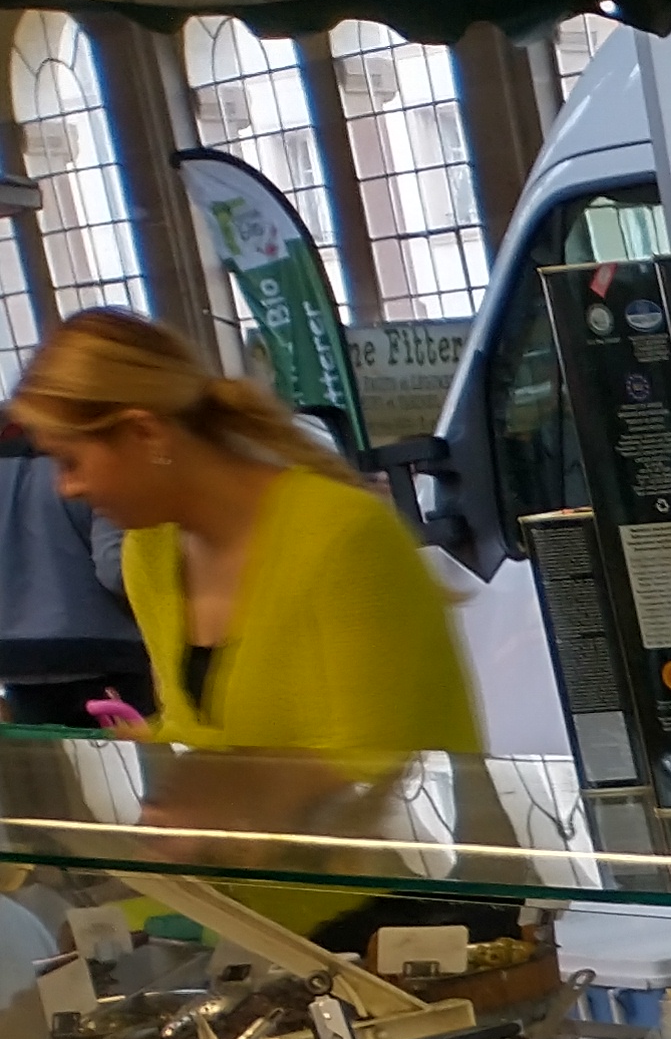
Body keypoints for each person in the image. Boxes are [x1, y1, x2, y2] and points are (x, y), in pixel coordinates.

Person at [3, 308, 476, 756]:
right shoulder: (149, 553)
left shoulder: (346, 538)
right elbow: (207, 731)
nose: (66, 488)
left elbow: (386, 764)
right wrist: (159, 745)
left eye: (70, 462)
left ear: (144, 433)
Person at [0, 415, 146, 729]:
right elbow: (115, 570)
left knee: (42, 760)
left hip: (17, 664)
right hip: (109, 657)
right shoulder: (92, 439)